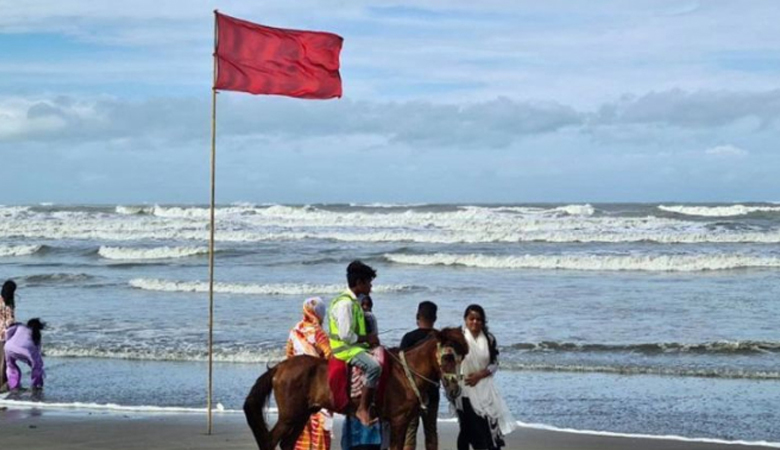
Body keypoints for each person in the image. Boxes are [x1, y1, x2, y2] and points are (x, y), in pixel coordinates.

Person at [455, 304, 516, 450]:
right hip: (464, 390)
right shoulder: (458, 338)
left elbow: (495, 363)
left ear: (483, 322)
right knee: (467, 429)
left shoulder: (489, 339)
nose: (475, 322)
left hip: (485, 388)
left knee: (489, 425)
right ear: (465, 319)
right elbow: (449, 363)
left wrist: (480, 375)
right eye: (471, 319)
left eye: (478, 319)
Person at [327, 260, 381, 426]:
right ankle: (362, 409)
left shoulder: (354, 302)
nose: (371, 287)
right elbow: (346, 336)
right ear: (359, 283)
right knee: (374, 367)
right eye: (369, 283)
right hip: (345, 349)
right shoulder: (346, 304)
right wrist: (368, 339)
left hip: (355, 346)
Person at [286, 297, 333, 450]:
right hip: (318, 388)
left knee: (301, 429)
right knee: (320, 429)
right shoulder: (319, 333)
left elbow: (289, 358)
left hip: (297, 386)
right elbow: (329, 357)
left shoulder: (294, 331)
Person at [400, 301, 439, 450]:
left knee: (409, 433)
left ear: (417, 316)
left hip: (411, 394)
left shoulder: (408, 338)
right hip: (432, 392)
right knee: (431, 433)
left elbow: (401, 369)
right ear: (435, 318)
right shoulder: (438, 339)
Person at [4, 318, 46, 395]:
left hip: (8, 348)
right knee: (37, 366)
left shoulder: (20, 326)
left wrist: (9, 341)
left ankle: (13, 385)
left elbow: (8, 332)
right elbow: (37, 351)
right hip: (24, 352)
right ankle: (36, 384)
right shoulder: (37, 336)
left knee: (11, 366)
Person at [0, 280, 17, 392]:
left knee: (4, 361)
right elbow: (9, 321)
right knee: (4, 361)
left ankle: (5, 382)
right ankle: (2, 384)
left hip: (3, 334)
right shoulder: (7, 303)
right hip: (4, 335)